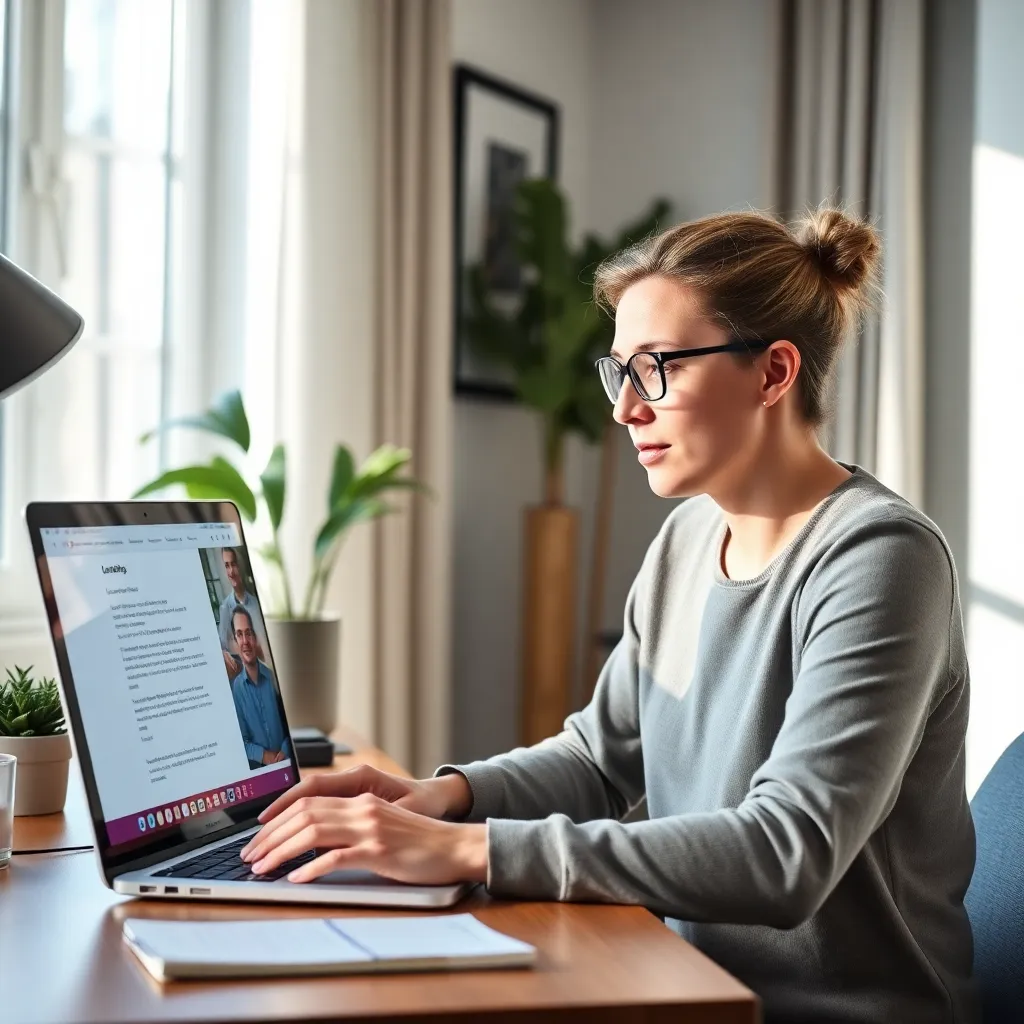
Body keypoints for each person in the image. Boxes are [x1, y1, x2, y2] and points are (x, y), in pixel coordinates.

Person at [238, 209, 976, 1022]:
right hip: (683, 982)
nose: (626, 408)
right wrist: (443, 798)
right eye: (620, 371)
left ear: (773, 374)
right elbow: (599, 759)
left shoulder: (882, 559)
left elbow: (785, 853)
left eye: (657, 369)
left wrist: (467, 849)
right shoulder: (690, 536)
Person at [229, 606, 290, 769]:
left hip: (289, 763)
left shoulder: (274, 678)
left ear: (255, 637)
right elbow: (241, 743)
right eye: (239, 635)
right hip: (262, 772)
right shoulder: (236, 690)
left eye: (248, 633)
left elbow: (291, 725)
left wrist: (285, 750)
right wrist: (264, 756)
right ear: (235, 642)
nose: (245, 642)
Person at [217, 547, 267, 679]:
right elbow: (222, 646)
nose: (231, 572)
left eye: (234, 564)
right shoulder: (225, 608)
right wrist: (224, 653)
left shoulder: (257, 603)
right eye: (227, 566)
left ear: (240, 566)